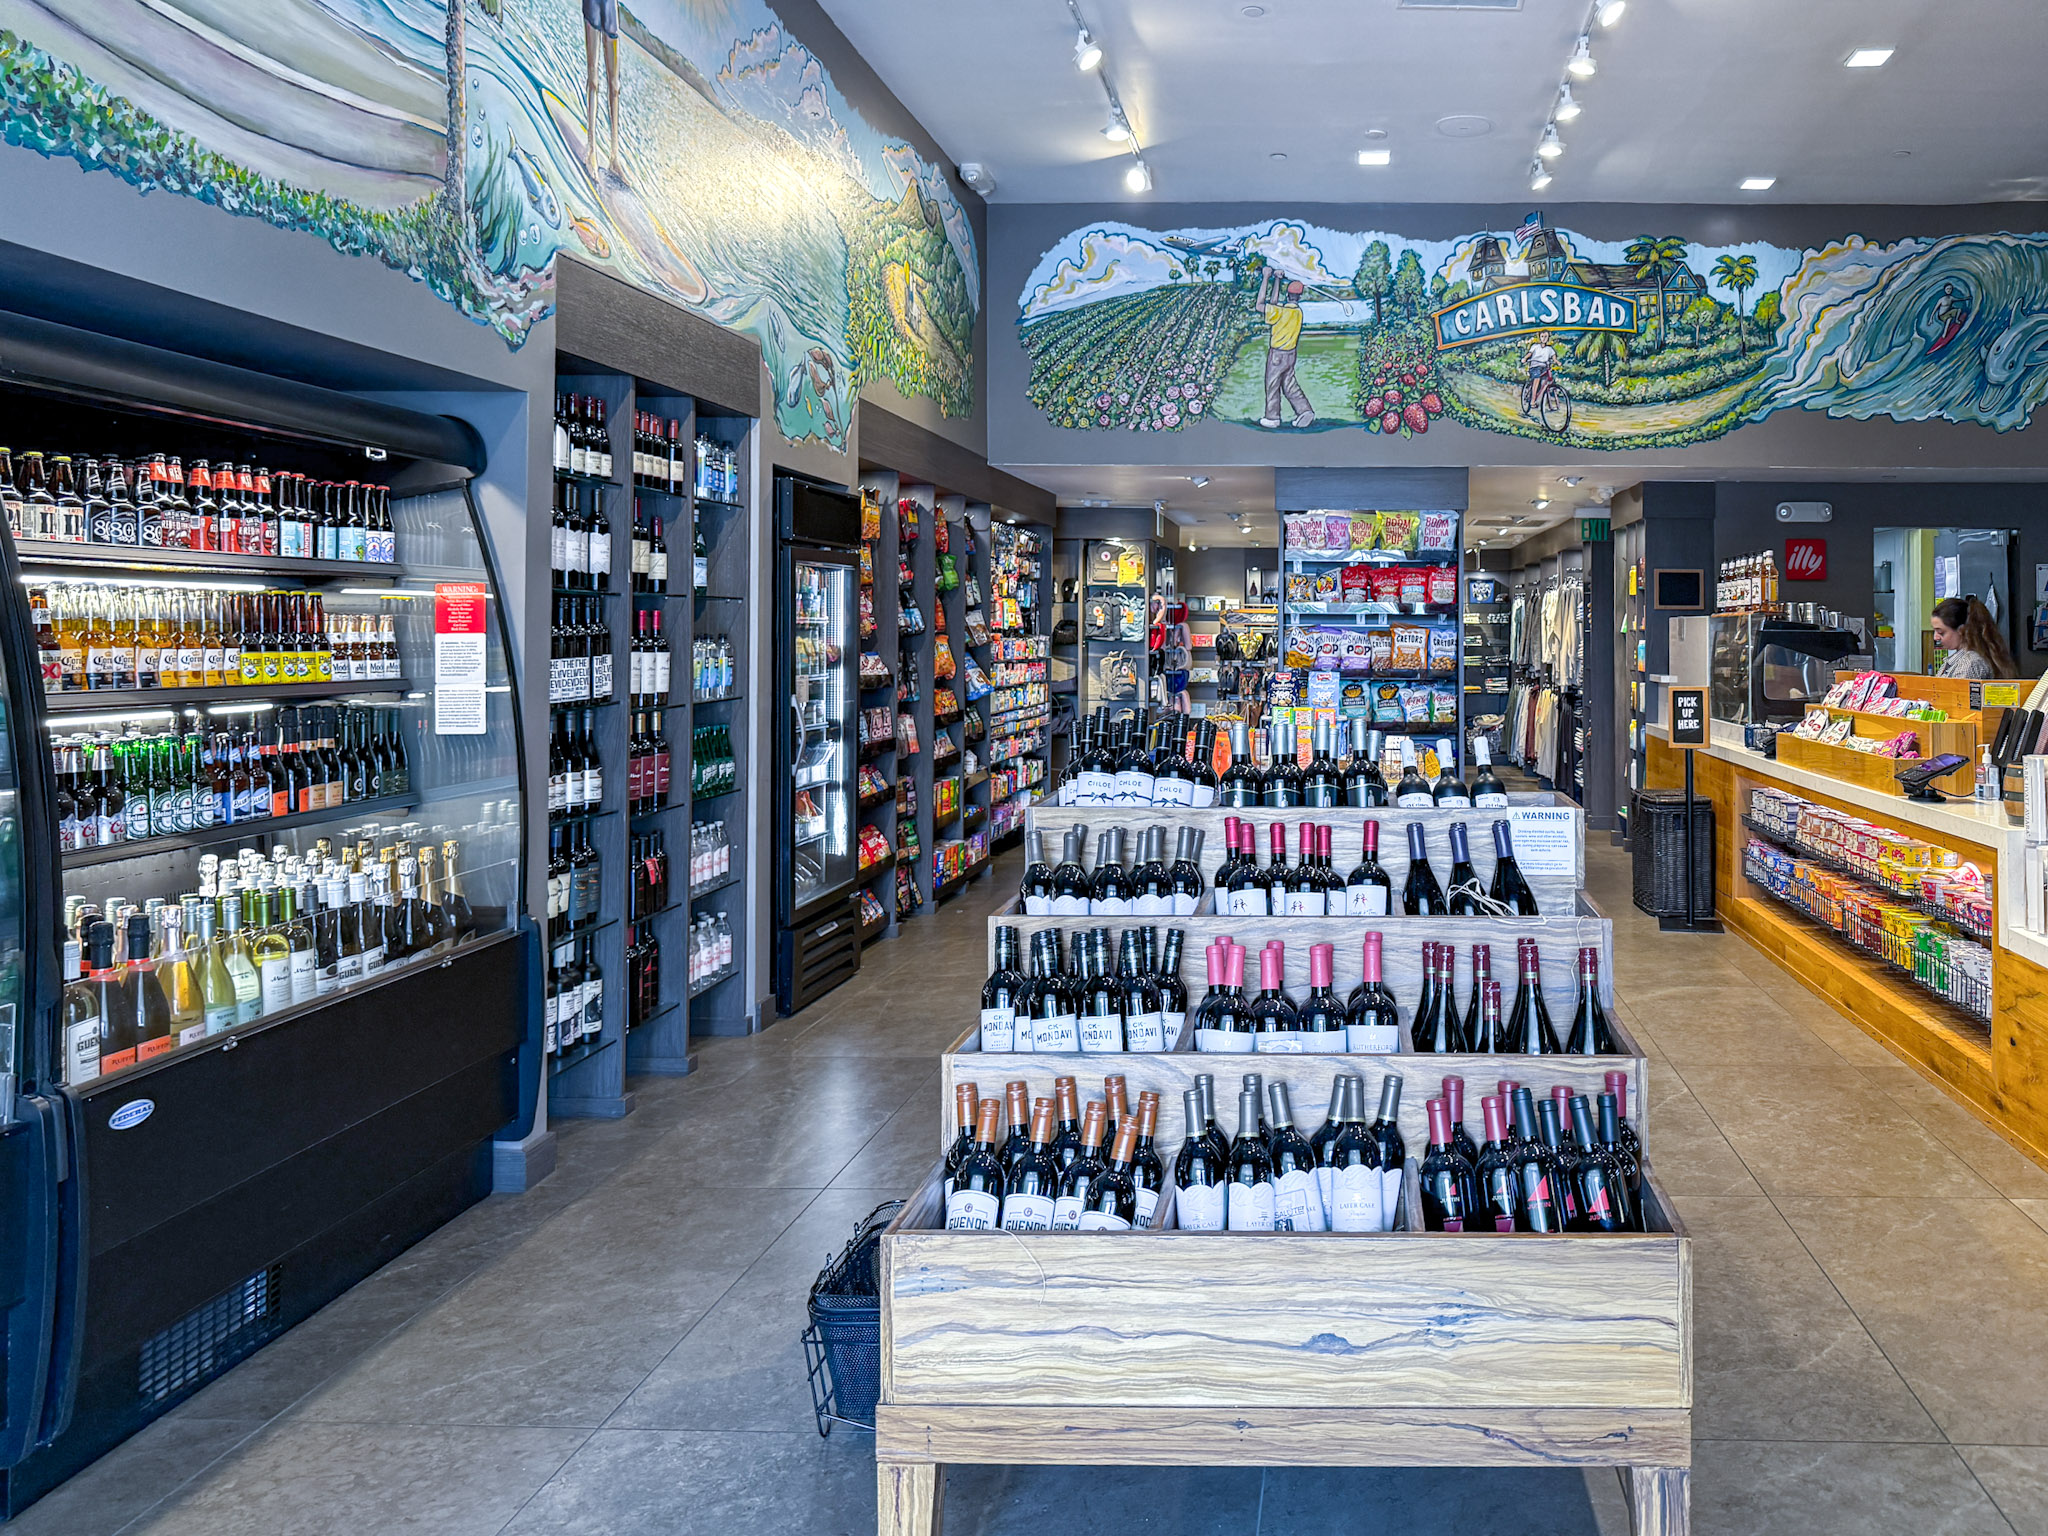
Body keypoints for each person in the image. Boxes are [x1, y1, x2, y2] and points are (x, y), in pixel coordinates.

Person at [1256, 268, 1314, 429]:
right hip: (1290, 354)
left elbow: (1260, 305)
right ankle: (1304, 410)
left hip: (1277, 354)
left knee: (1272, 385)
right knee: (1289, 384)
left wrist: (1266, 277)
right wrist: (1277, 280)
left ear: (1287, 295)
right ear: (1298, 297)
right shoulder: (1297, 312)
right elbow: (1273, 305)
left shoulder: (1280, 312)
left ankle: (1272, 417)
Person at [1931, 595, 2017, 679]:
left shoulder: (1970, 663)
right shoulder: (1956, 661)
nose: (1936, 637)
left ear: (1961, 630)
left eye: (1940, 632)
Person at [584, 0, 621, 177]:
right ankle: (591, 148)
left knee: (614, 86)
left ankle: (614, 157)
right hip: (592, 6)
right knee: (593, 79)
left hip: (610, 10)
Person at [1522, 331, 1560, 413]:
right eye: (1542, 336)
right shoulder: (1535, 346)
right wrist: (1525, 358)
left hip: (1544, 367)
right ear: (1539, 337)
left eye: (1546, 336)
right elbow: (1529, 354)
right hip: (1535, 366)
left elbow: (1554, 357)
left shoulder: (1549, 349)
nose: (1544, 338)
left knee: (1547, 382)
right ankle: (1532, 400)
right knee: (1537, 378)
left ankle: (1548, 402)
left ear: (1548, 338)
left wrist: (1557, 362)